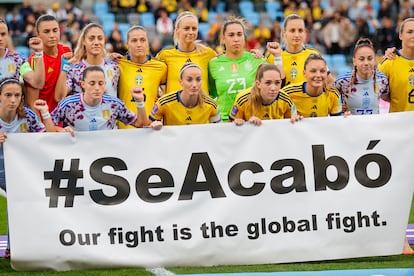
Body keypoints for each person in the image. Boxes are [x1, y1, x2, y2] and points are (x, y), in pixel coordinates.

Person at [0, 77, 55, 259]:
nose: (13, 100)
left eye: (17, 95)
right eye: (8, 95)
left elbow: (48, 136)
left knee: (19, 203)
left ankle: (13, 246)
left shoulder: (28, 116)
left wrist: (45, 114)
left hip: (16, 171)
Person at [378, 17, 414, 255]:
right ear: (400, 35)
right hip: (402, 133)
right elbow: (372, 88)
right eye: (409, 31)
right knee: (400, 189)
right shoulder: (390, 63)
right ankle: (400, 239)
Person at [208, 16, 283, 121]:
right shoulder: (213, 64)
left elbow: (279, 81)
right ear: (223, 39)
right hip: (225, 124)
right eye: (231, 35)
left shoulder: (256, 60)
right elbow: (212, 94)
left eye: (239, 34)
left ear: (244, 37)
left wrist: (278, 57)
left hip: (253, 122)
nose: (236, 39)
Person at [51, 66, 145, 132]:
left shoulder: (114, 104)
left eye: (100, 83)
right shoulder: (68, 104)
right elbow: (47, 127)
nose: (97, 88)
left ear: (104, 84)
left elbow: (139, 123)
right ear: (83, 84)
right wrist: (61, 130)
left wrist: (140, 102)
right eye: (92, 83)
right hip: (78, 154)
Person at [111, 25, 167, 129]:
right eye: (134, 40)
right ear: (127, 44)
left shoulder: (161, 67)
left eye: (142, 40)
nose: (139, 44)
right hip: (124, 129)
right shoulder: (118, 64)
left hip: (151, 128)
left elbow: (166, 94)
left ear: (147, 43)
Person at [142, 63, 221, 130]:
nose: (194, 85)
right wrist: (154, 126)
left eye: (198, 79)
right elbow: (147, 127)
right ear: (181, 82)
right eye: (189, 80)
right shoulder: (164, 102)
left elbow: (219, 130)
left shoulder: (211, 105)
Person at [55, 23, 120, 101]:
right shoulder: (74, 70)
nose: (96, 42)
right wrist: (64, 67)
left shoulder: (115, 67)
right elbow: (59, 97)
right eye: (91, 38)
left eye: (100, 38)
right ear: (83, 41)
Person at [156, 11, 217, 94]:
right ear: (177, 30)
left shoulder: (208, 54)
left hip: (201, 106)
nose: (191, 32)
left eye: (194, 28)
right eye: (186, 28)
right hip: (174, 107)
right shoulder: (164, 55)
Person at [266, 14, 334, 86]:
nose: (297, 35)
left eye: (300, 30)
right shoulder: (272, 56)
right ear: (284, 32)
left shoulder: (314, 55)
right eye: (292, 30)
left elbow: (330, 82)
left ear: (305, 32)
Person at [25, 14, 72, 114]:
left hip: (65, 120)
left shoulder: (66, 51)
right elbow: (32, 103)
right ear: (37, 34)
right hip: (45, 121)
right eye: (46, 31)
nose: (52, 35)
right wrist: (44, 127)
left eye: (55, 30)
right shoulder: (34, 60)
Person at [229, 64, 301, 126]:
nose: (273, 88)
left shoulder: (286, 100)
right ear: (258, 84)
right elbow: (230, 127)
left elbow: (293, 126)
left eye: (277, 83)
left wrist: (296, 119)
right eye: (268, 83)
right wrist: (246, 124)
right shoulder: (243, 99)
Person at [334, 38, 389, 115]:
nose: (366, 63)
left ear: (375, 60)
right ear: (354, 61)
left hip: (374, 126)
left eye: (370, 58)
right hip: (351, 126)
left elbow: (388, 98)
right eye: (361, 59)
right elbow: (330, 102)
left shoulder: (383, 79)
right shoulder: (342, 81)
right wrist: (340, 110)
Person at [0, 18, 45, 89]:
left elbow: (37, 83)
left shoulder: (17, 59)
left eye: (3, 34)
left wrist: (39, 52)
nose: (0, 38)